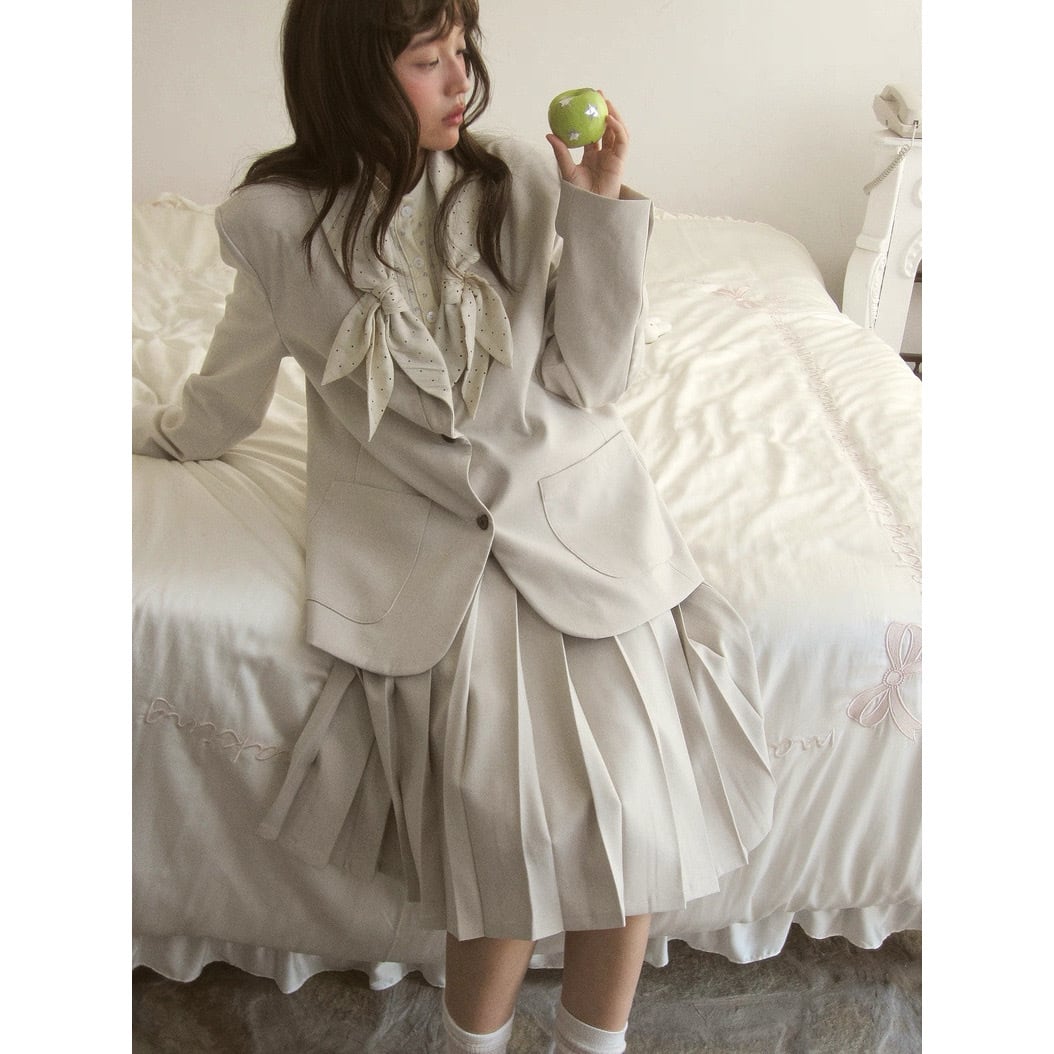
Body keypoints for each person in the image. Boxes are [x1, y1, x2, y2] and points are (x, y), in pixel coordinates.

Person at [132, 1, 775, 1051]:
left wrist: (597, 208)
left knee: (635, 815)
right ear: (351, 76)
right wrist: (163, 433)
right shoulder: (275, 226)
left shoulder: (515, 180)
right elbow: (230, 392)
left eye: (463, 51)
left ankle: (594, 1042)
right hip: (428, 559)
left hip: (579, 527)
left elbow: (591, 376)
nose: (460, 77)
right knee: (498, 826)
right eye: (428, 59)